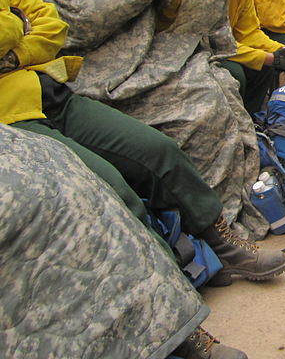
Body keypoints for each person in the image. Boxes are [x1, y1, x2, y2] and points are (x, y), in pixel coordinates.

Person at [2, 0, 285, 286]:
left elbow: (52, 25)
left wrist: (15, 54)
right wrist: (19, 35)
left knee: (160, 152)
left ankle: (221, 244)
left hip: (47, 91)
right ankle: (166, 295)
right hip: (10, 115)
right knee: (108, 186)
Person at [47, 0, 269, 239]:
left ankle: (221, 210)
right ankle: (205, 230)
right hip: (95, 71)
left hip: (152, 60)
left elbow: (166, 24)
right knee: (200, 112)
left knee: (223, 91)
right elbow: (78, 27)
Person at [0, 123, 247, 359]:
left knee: (95, 186)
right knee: (101, 192)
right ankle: (169, 326)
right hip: (15, 111)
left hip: (37, 101)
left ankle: (173, 316)